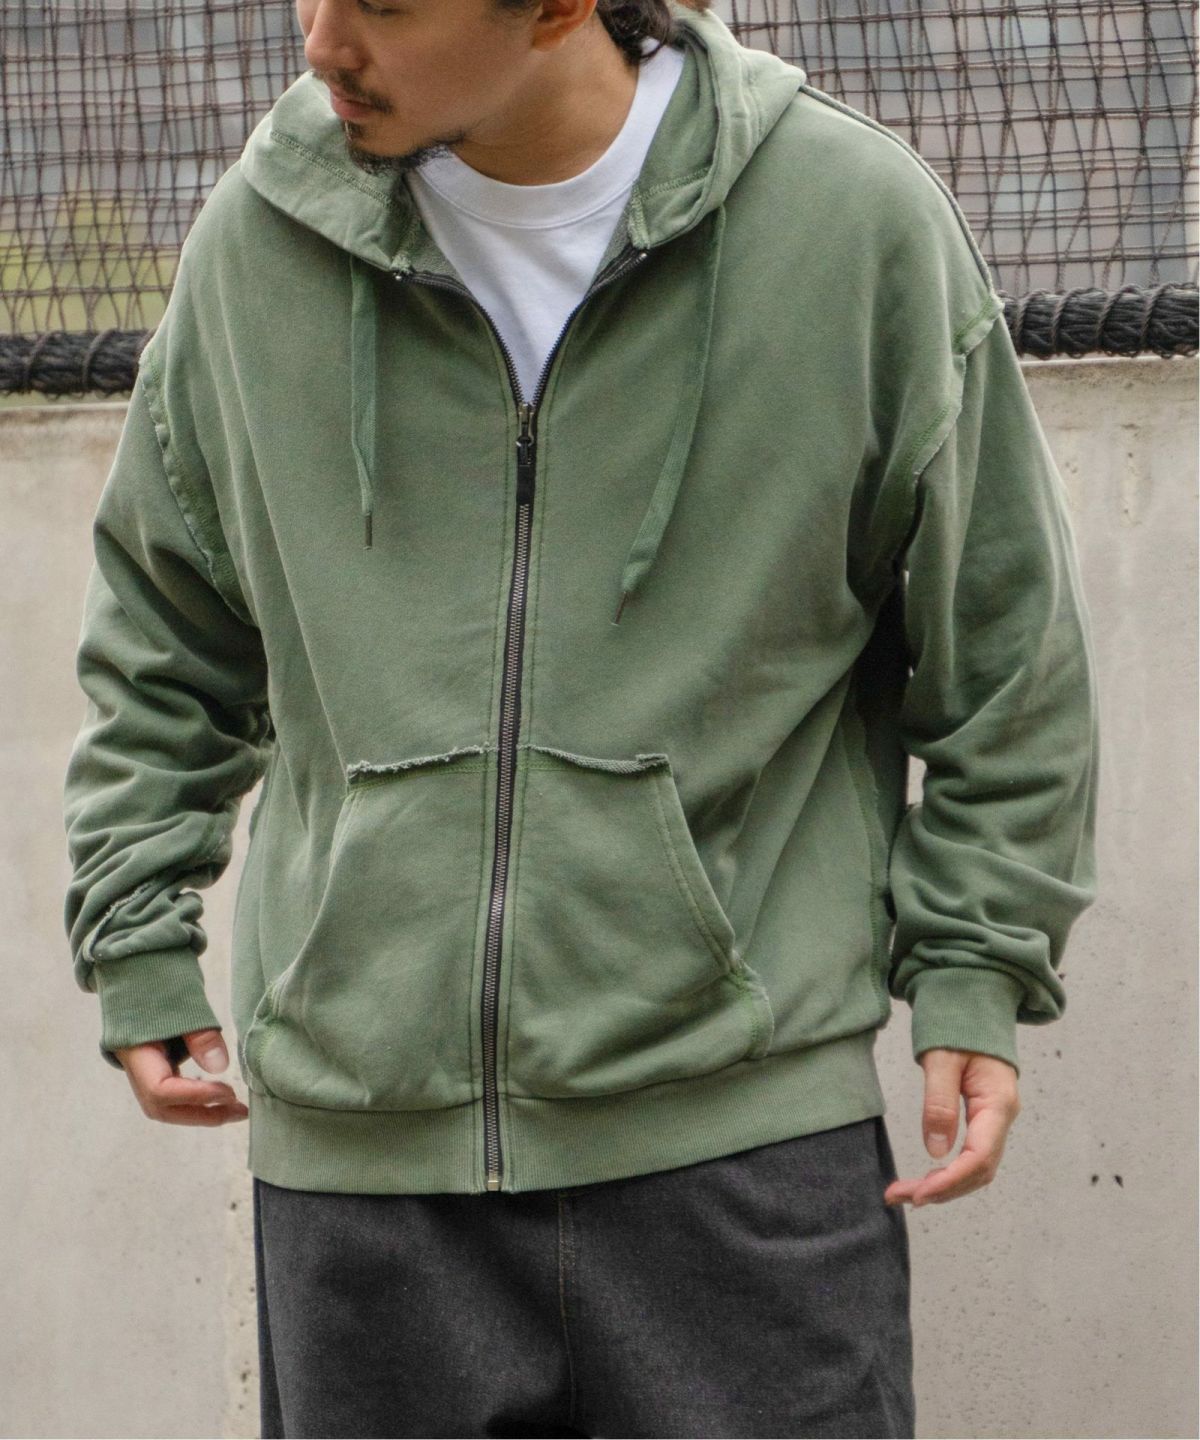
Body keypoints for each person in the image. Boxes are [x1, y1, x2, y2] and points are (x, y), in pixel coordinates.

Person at [61, 0, 1100, 1434]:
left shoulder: (850, 226)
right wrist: (133, 932)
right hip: (364, 1178)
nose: (323, 42)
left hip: (738, 1159)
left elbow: (1004, 656)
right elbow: (163, 629)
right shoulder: (262, 239)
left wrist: (977, 967)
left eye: (385, 2)